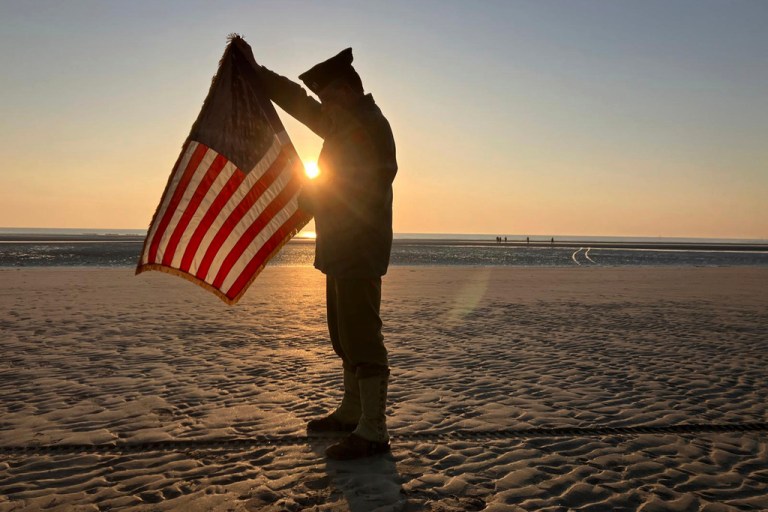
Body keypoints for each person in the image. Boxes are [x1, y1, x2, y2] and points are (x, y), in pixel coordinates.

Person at [251, 45, 397, 460]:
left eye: (329, 95)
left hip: (359, 248)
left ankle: (373, 430)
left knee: (362, 336)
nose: (324, 104)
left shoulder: (368, 126)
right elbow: (301, 105)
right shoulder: (345, 121)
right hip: (341, 247)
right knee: (344, 334)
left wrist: (312, 196)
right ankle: (353, 411)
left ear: (348, 90)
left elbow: (363, 179)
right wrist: (255, 70)